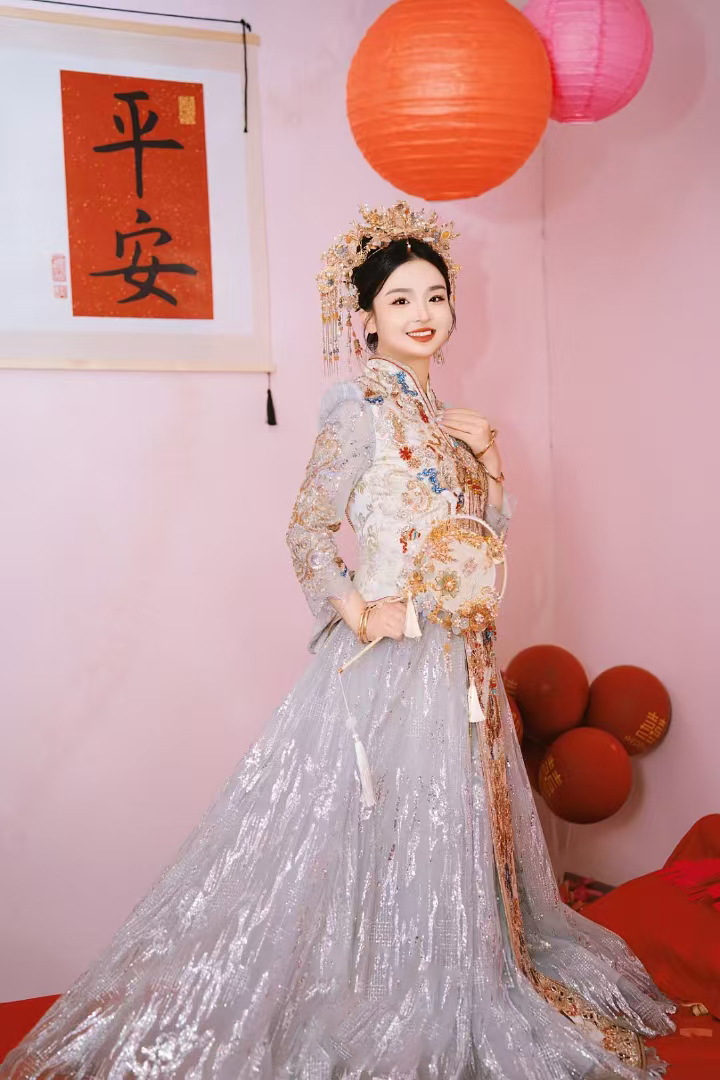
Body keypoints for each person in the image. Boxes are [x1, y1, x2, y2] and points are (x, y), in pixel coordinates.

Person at [1, 200, 675, 1080]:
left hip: (458, 656)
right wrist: (361, 611)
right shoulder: (359, 408)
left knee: (444, 829)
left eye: (435, 295)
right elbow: (307, 531)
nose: (423, 313)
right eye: (400, 300)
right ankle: (381, 986)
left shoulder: (444, 416)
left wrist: (491, 462)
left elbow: (478, 542)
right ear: (366, 319)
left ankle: (448, 969)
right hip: (391, 659)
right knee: (376, 825)